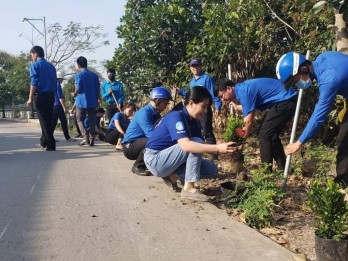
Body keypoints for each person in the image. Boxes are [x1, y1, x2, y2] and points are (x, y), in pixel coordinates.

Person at [144, 87, 237, 201]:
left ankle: (173, 176)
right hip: (155, 159)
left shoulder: (193, 121)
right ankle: (189, 188)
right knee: (194, 144)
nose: (206, 111)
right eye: (203, 106)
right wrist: (217, 148)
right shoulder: (176, 116)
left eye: (207, 107)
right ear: (191, 103)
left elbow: (201, 144)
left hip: (171, 159)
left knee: (212, 170)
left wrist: (222, 145)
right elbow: (186, 146)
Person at [276, 51, 348, 188]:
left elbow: (319, 116)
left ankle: (343, 184)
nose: (296, 84)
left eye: (295, 80)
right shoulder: (323, 57)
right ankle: (343, 182)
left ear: (303, 69)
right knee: (344, 139)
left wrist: (299, 142)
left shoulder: (329, 80)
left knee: (345, 140)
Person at [215, 78, 297, 171]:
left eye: (222, 96)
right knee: (271, 135)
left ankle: (265, 172)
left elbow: (248, 122)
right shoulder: (243, 89)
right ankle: (283, 169)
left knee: (264, 135)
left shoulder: (244, 92)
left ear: (229, 89)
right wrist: (239, 107)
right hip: (285, 100)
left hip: (285, 101)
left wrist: (241, 142)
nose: (222, 99)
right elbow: (250, 106)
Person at [122, 86, 172, 176]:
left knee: (160, 141)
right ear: (158, 101)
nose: (166, 106)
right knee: (154, 140)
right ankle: (137, 166)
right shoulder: (143, 113)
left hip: (140, 143)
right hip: (129, 147)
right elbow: (152, 134)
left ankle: (153, 165)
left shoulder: (155, 114)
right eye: (165, 103)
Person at [177, 58, 222, 145]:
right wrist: (181, 91)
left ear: (201, 66)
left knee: (206, 131)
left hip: (204, 109)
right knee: (196, 130)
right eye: (192, 66)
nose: (195, 68)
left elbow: (213, 93)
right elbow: (192, 95)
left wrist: (218, 106)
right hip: (194, 110)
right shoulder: (192, 82)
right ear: (190, 68)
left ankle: (213, 153)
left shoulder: (206, 78)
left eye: (197, 66)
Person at [26, 46, 57, 151]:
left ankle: (50, 143)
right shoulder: (51, 66)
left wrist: (30, 97)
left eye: (31, 55)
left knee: (44, 121)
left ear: (35, 54)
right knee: (47, 119)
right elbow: (54, 82)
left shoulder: (35, 65)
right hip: (51, 95)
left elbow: (34, 83)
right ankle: (43, 142)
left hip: (41, 95)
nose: (32, 57)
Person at [72, 56, 101, 146]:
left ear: (78, 65)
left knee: (79, 119)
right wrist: (99, 100)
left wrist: (74, 93)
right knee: (92, 120)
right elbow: (97, 89)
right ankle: (92, 139)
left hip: (81, 101)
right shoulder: (94, 76)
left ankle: (85, 136)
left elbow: (78, 87)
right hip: (92, 101)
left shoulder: (79, 75)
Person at [52, 71, 75, 142]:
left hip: (53, 105)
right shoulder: (58, 85)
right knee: (63, 121)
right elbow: (60, 97)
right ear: (59, 78)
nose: (62, 81)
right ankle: (67, 137)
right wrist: (64, 108)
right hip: (58, 105)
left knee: (53, 122)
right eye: (62, 79)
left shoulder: (53, 84)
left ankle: (50, 137)